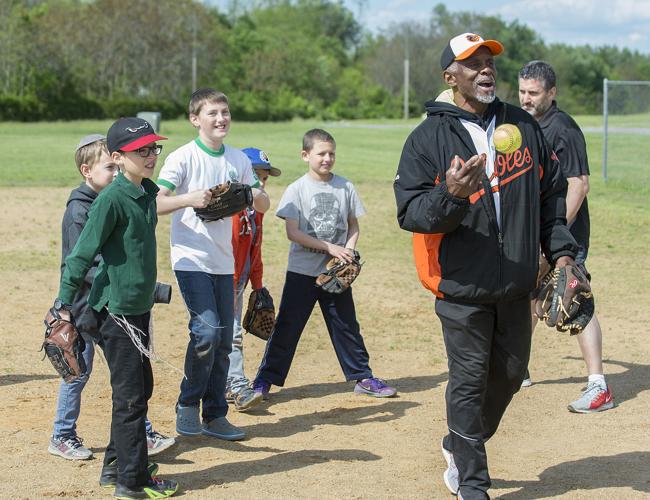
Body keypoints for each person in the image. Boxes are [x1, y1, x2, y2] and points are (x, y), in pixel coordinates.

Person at [393, 33, 578, 499]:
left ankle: (459, 443)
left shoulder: (521, 125)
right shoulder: (427, 138)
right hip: (460, 285)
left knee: (512, 374)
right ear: (449, 76)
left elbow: (551, 193)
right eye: (472, 64)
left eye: (489, 61)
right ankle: (472, 483)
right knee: (469, 381)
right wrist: (449, 195)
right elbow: (411, 213)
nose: (485, 70)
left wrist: (563, 253)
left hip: (516, 282)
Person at [52, 117, 178, 498]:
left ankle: (113, 468)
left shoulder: (145, 193)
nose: (151, 155)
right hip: (116, 314)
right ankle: (131, 481)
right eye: (142, 150)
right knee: (130, 397)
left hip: (137, 309)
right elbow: (80, 256)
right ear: (119, 157)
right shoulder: (111, 199)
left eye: (154, 148)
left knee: (141, 388)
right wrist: (62, 306)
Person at [156, 88, 270, 440]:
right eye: (212, 113)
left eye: (225, 112)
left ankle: (215, 413)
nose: (221, 119)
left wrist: (250, 193)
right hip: (190, 259)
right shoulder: (183, 157)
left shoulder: (237, 159)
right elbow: (156, 202)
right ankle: (187, 405)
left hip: (224, 262)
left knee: (222, 341)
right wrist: (190, 198)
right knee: (206, 332)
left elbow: (263, 203)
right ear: (195, 119)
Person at [251, 128, 397, 401]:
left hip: (334, 273)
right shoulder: (297, 189)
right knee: (288, 327)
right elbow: (292, 233)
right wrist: (331, 247)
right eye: (321, 154)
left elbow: (353, 226)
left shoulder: (345, 187)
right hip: (302, 271)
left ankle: (362, 376)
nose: (327, 158)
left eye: (331, 153)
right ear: (305, 155)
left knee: (345, 325)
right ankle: (264, 380)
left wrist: (349, 251)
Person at [518, 60, 614, 412]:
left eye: (534, 93)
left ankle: (598, 386)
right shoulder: (527, 124)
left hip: (564, 238)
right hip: (537, 234)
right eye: (523, 91)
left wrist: (556, 235)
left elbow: (579, 184)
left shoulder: (563, 128)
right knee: (527, 296)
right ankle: (517, 369)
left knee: (575, 301)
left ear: (552, 93)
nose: (526, 99)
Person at [226, 147, 281, 412]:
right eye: (256, 174)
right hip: (224, 279)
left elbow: (255, 248)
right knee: (229, 334)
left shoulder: (256, 209)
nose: (261, 182)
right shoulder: (230, 208)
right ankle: (236, 385)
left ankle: (226, 383)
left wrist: (257, 285)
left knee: (228, 333)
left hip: (240, 281)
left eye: (265, 177)